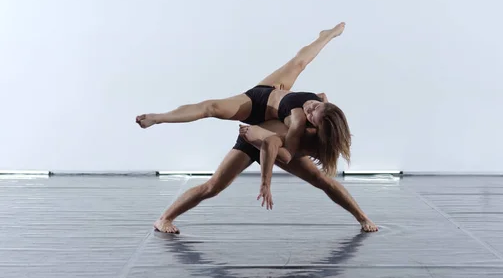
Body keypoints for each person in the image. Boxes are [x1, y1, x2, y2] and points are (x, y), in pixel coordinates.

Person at [136, 22, 351, 177]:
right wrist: (320, 108)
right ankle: (327, 35)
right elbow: (322, 108)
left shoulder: (297, 123)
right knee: (298, 63)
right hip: (271, 89)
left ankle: (158, 118)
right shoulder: (321, 100)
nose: (310, 107)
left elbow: (286, 156)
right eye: (316, 106)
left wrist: (260, 143)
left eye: (312, 115)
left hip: (255, 107)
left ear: (312, 125)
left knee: (211, 108)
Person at [153, 118, 378, 234]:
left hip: (276, 146)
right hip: (256, 141)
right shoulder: (306, 135)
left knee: (322, 180)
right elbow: (270, 145)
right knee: (213, 186)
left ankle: (362, 217)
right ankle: (164, 218)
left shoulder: (320, 139)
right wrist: (265, 184)